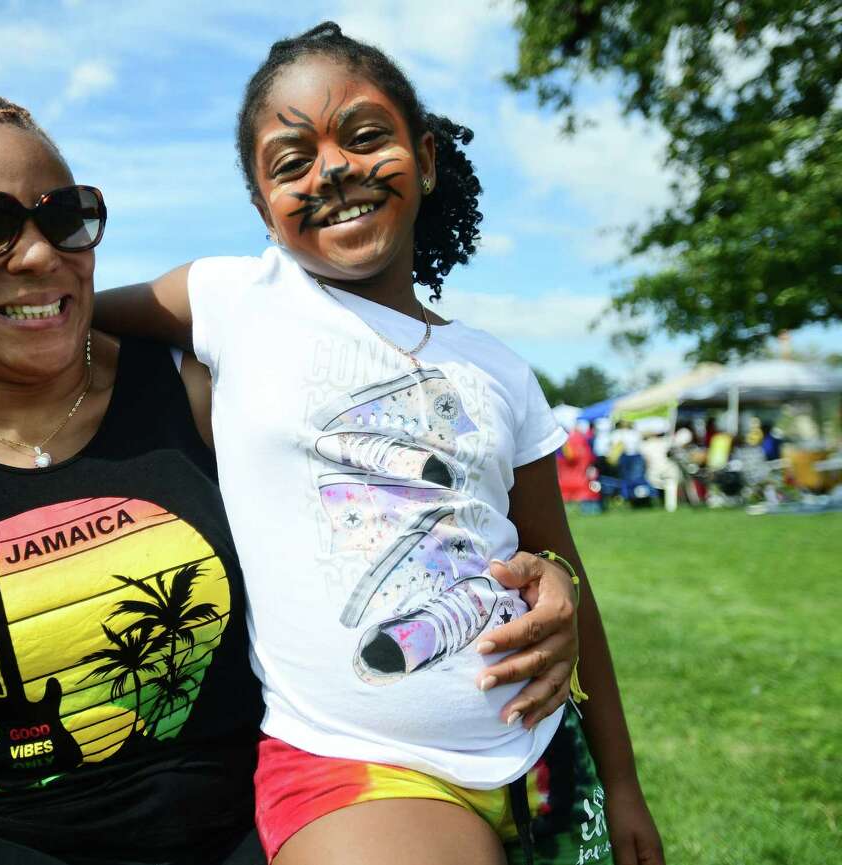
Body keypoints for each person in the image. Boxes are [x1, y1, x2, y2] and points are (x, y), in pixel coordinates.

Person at [0, 90, 580, 865]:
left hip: (266, 834)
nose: (38, 254)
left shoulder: (192, 390)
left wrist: (535, 584)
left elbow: (398, 519)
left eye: (64, 217)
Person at [96, 23, 663, 865]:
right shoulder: (235, 298)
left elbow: (562, 570)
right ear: (262, 210)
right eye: (291, 161)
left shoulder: (501, 369)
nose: (331, 169)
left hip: (545, 757)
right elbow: (59, 321)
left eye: (365, 138)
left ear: (425, 158)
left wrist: (622, 783)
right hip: (354, 767)